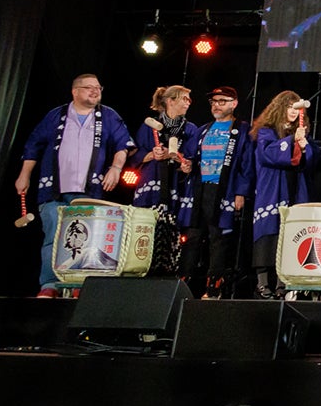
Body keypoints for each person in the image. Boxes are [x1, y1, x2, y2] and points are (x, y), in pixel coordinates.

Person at [16, 74, 135, 297]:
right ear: (75, 91)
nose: (95, 91)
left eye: (98, 87)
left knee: (86, 238)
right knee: (53, 236)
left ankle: (79, 284)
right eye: (89, 87)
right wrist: (24, 175)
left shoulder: (108, 116)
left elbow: (123, 145)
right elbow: (33, 146)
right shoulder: (56, 115)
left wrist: (116, 168)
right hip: (53, 188)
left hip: (89, 190)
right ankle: (49, 285)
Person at [184, 86, 254, 299]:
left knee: (219, 238)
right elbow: (190, 156)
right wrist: (186, 165)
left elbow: (247, 163)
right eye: (214, 102)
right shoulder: (203, 129)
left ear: (234, 103)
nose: (216, 105)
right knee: (193, 236)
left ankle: (214, 288)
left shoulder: (242, 130)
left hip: (224, 189)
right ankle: (183, 286)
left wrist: (241, 192)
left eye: (222, 101)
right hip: (200, 188)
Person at [129, 85, 201, 277]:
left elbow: (191, 158)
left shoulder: (190, 129)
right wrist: (152, 155)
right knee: (147, 229)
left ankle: (168, 273)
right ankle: (141, 269)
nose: (188, 102)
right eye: (184, 98)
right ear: (170, 101)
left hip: (176, 186)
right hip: (152, 185)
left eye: (189, 99)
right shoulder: (150, 126)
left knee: (172, 231)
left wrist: (183, 162)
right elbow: (136, 155)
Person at [251, 91, 314, 299]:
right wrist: (291, 140)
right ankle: (262, 283)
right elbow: (267, 154)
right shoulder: (266, 131)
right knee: (267, 231)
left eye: (297, 108)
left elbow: (312, 159)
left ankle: (282, 283)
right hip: (272, 186)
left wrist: (304, 149)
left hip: (294, 186)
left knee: (289, 234)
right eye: (289, 107)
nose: (294, 112)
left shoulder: (301, 132)